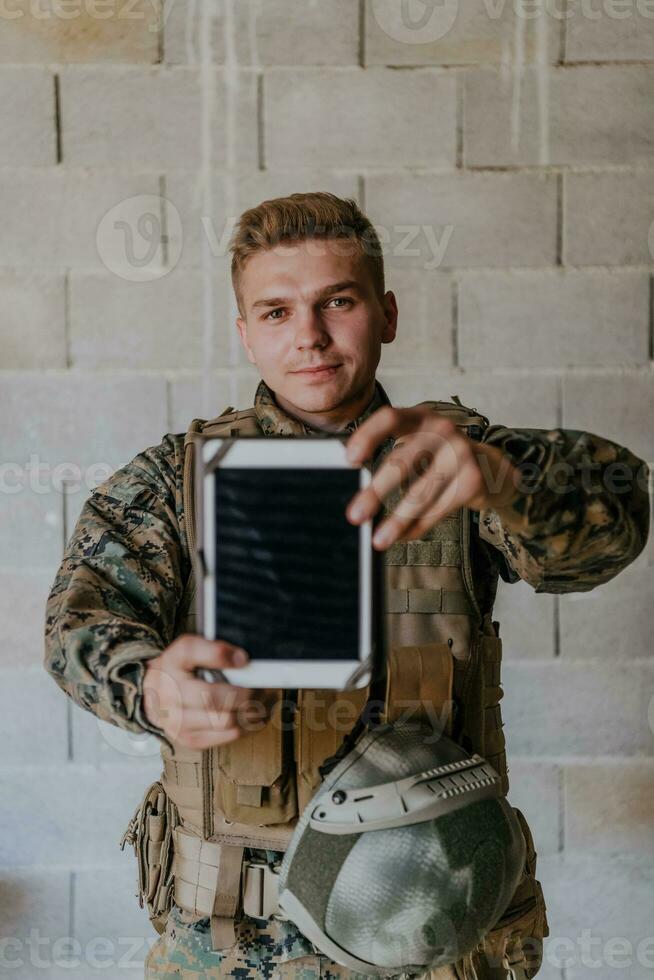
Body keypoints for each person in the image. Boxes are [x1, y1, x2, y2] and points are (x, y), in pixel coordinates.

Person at [44, 192, 650, 980]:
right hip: (235, 940)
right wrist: (150, 684)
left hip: (435, 927)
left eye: (338, 301)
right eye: (275, 312)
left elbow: (619, 516)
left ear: (386, 313)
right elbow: (78, 625)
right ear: (245, 335)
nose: (310, 337)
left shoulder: (458, 458)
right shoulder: (172, 480)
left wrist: (510, 483)